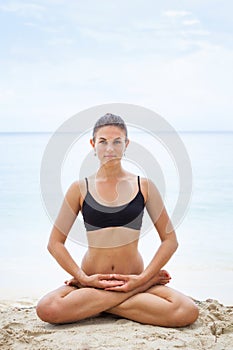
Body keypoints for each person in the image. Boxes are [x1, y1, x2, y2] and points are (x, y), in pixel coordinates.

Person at [36, 113, 199, 327]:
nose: (110, 149)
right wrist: (82, 278)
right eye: (103, 142)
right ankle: (131, 298)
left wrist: (142, 279)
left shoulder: (144, 186)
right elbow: (55, 243)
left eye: (117, 142)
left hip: (133, 277)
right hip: (93, 281)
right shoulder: (79, 189)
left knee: (187, 311)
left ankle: (98, 305)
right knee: (47, 308)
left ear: (126, 144)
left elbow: (170, 241)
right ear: (93, 144)